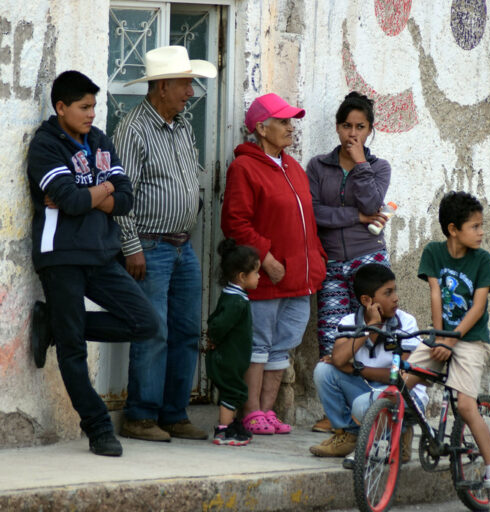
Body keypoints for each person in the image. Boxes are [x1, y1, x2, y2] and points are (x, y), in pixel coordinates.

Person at [26, 70, 160, 457]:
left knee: (145, 323)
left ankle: (55, 323)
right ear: (61, 107)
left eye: (94, 106)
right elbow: (70, 202)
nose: (91, 114)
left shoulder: (99, 140)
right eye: (84, 107)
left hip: (102, 254)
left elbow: (126, 199)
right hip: (61, 256)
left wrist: (90, 193)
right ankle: (98, 427)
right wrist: (102, 190)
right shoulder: (46, 145)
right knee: (73, 350)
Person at [112, 46, 217, 442]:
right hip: (150, 245)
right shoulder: (134, 129)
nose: (190, 92)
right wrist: (131, 246)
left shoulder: (182, 126)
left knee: (187, 331)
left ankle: (174, 413)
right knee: (153, 331)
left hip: (181, 246)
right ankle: (140, 416)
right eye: (185, 84)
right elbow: (122, 193)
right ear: (161, 87)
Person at [221, 93, 327, 435]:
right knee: (258, 344)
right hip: (266, 277)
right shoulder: (244, 168)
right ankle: (251, 411)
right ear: (261, 128)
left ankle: (267, 412)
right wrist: (265, 259)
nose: (290, 127)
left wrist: (317, 260)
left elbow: (307, 222)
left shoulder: (293, 168)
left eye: (290, 121)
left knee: (282, 347)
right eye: (282, 121)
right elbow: (235, 222)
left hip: (298, 278)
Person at [405, 191, 490, 511]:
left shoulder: (483, 260)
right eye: (475, 226)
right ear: (453, 229)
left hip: (470, 340)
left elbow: (478, 308)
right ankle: (380, 445)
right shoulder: (433, 252)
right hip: (442, 336)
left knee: (466, 405)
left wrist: (451, 341)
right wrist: (440, 339)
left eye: (481, 226)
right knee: (401, 384)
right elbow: (436, 295)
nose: (481, 232)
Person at [307, 91, 392, 433]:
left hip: (368, 259)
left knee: (374, 331)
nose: (352, 134)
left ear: (370, 130)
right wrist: (356, 217)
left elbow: (373, 204)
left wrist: (360, 164)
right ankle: (336, 415)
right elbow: (314, 213)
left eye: (360, 127)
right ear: (337, 127)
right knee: (332, 337)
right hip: (330, 261)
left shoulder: (378, 168)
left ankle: (373, 406)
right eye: (346, 126)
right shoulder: (318, 166)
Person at [309, 263, 419, 463]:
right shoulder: (349, 321)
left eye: (395, 290)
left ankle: (401, 433)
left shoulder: (406, 322)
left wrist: (357, 369)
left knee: (362, 405)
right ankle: (349, 435)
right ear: (367, 301)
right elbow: (338, 360)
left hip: (401, 392)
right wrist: (371, 327)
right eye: (388, 293)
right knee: (323, 370)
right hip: (370, 388)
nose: (395, 298)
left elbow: (399, 376)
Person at [206, 239, 260, 446]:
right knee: (233, 391)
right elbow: (218, 324)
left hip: (232, 357)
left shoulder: (235, 296)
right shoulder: (236, 302)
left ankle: (231, 425)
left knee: (235, 389)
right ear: (242, 276)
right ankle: (224, 430)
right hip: (227, 358)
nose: (259, 277)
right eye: (256, 273)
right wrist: (214, 338)